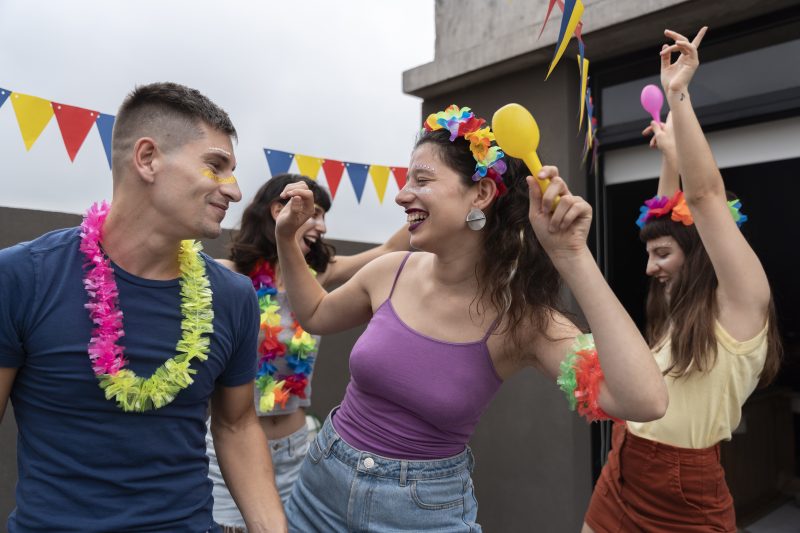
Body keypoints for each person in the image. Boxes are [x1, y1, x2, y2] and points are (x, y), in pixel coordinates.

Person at [273, 104, 669, 531]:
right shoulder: (391, 271)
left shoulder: (522, 320)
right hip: (319, 488)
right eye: (407, 181)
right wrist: (286, 238)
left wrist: (572, 254)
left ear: (479, 195)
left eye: (422, 180)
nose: (403, 195)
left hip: (420, 515)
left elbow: (643, 401)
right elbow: (313, 312)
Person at [0, 82, 286, 533]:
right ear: (148, 158)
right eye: (216, 166)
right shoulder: (21, 277)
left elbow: (235, 425)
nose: (233, 191)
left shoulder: (233, 296)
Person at [583, 27, 782, 533]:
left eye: (663, 255)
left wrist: (679, 96)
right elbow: (669, 221)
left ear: (698, 254)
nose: (650, 268)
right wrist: (670, 159)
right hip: (621, 467)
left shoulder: (741, 304)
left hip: (683, 493)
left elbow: (706, 198)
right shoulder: (680, 307)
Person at [206, 173, 409, 531]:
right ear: (278, 210)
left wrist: (431, 203)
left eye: (323, 216)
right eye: (314, 214)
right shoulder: (232, 277)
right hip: (232, 455)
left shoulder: (316, 277)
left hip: (297, 451)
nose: (322, 226)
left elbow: (389, 251)